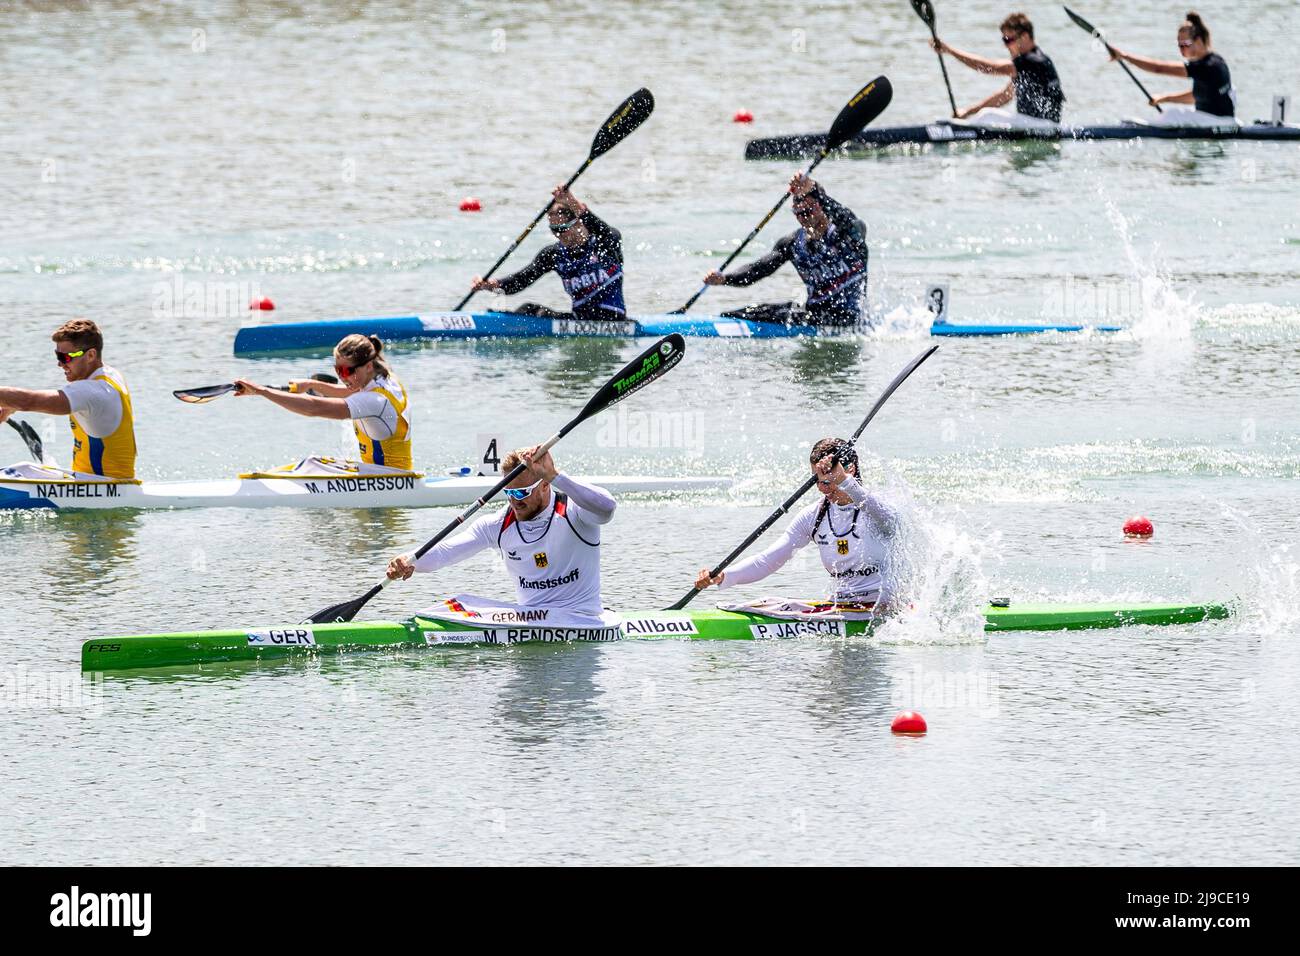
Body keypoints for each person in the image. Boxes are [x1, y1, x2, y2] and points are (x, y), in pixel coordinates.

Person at [386, 446, 615, 621]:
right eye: (509, 492)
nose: (514, 500)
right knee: (461, 603)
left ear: (545, 485)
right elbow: (445, 553)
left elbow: (607, 508)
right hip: (533, 622)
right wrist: (409, 559)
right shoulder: (497, 524)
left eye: (522, 492)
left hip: (584, 620)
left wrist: (555, 475)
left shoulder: (575, 513)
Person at [694, 438, 901, 609]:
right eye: (816, 480)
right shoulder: (813, 516)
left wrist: (845, 481)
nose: (822, 488)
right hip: (843, 606)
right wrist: (722, 576)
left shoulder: (876, 508)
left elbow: (892, 521)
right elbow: (767, 560)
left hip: (887, 608)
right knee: (769, 605)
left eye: (828, 480)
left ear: (850, 471)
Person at [702, 173, 868, 327]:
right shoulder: (792, 244)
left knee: (787, 314)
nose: (804, 218)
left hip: (847, 317)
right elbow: (758, 270)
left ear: (821, 206)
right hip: (813, 312)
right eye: (799, 213)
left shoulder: (847, 233)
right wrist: (724, 279)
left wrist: (813, 189)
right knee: (746, 312)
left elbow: (847, 218)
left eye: (808, 211)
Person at [234, 333, 413, 472]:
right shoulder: (385, 379)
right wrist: (311, 384)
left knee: (312, 464)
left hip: (389, 479)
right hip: (386, 476)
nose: (343, 377)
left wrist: (262, 391)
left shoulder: (374, 400)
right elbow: (348, 391)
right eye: (338, 370)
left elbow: (314, 407)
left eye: (346, 371)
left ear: (368, 366)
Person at [0, 319, 137, 479]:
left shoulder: (94, 390)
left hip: (101, 485)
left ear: (91, 355)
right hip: (97, 483)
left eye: (66, 358)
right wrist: (11, 405)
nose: (59, 364)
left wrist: (16, 403)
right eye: (58, 355)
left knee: (22, 469)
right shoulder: (109, 375)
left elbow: (29, 401)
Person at [470, 186, 627, 321]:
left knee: (533, 312)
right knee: (529, 309)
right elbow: (521, 280)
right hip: (579, 319)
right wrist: (488, 285)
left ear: (578, 221)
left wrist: (572, 201)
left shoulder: (605, 242)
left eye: (562, 228)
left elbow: (602, 229)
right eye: (554, 230)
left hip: (612, 319)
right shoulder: (554, 254)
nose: (558, 235)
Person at [931, 12, 1066, 122]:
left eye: (1009, 40)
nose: (1006, 45)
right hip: (1041, 126)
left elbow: (987, 67)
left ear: (1025, 37)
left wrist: (950, 51)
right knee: (987, 114)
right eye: (1004, 40)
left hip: (1040, 127)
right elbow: (1004, 97)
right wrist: (968, 112)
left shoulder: (1032, 61)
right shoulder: (1038, 62)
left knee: (987, 116)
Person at [1106, 12, 1233, 118]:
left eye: (1185, 44)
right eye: (1179, 45)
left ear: (1198, 41)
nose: (1181, 49)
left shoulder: (1207, 66)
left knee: (1172, 114)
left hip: (1214, 121)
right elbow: (1197, 96)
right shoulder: (1216, 60)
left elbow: (1158, 69)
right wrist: (1163, 98)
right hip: (1220, 119)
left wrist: (1124, 56)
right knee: (1171, 113)